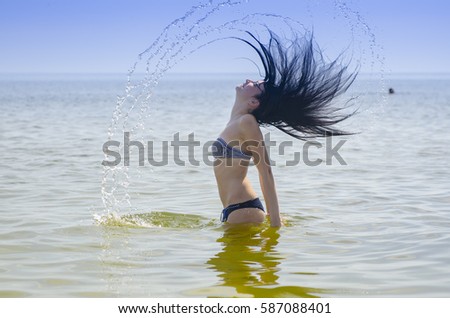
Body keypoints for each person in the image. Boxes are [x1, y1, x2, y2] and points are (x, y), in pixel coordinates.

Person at [212, 30, 357, 227]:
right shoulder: (235, 122)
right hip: (235, 210)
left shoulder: (247, 122)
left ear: (254, 102)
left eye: (255, 84)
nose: (248, 80)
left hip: (243, 210)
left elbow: (266, 172)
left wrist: (275, 222)